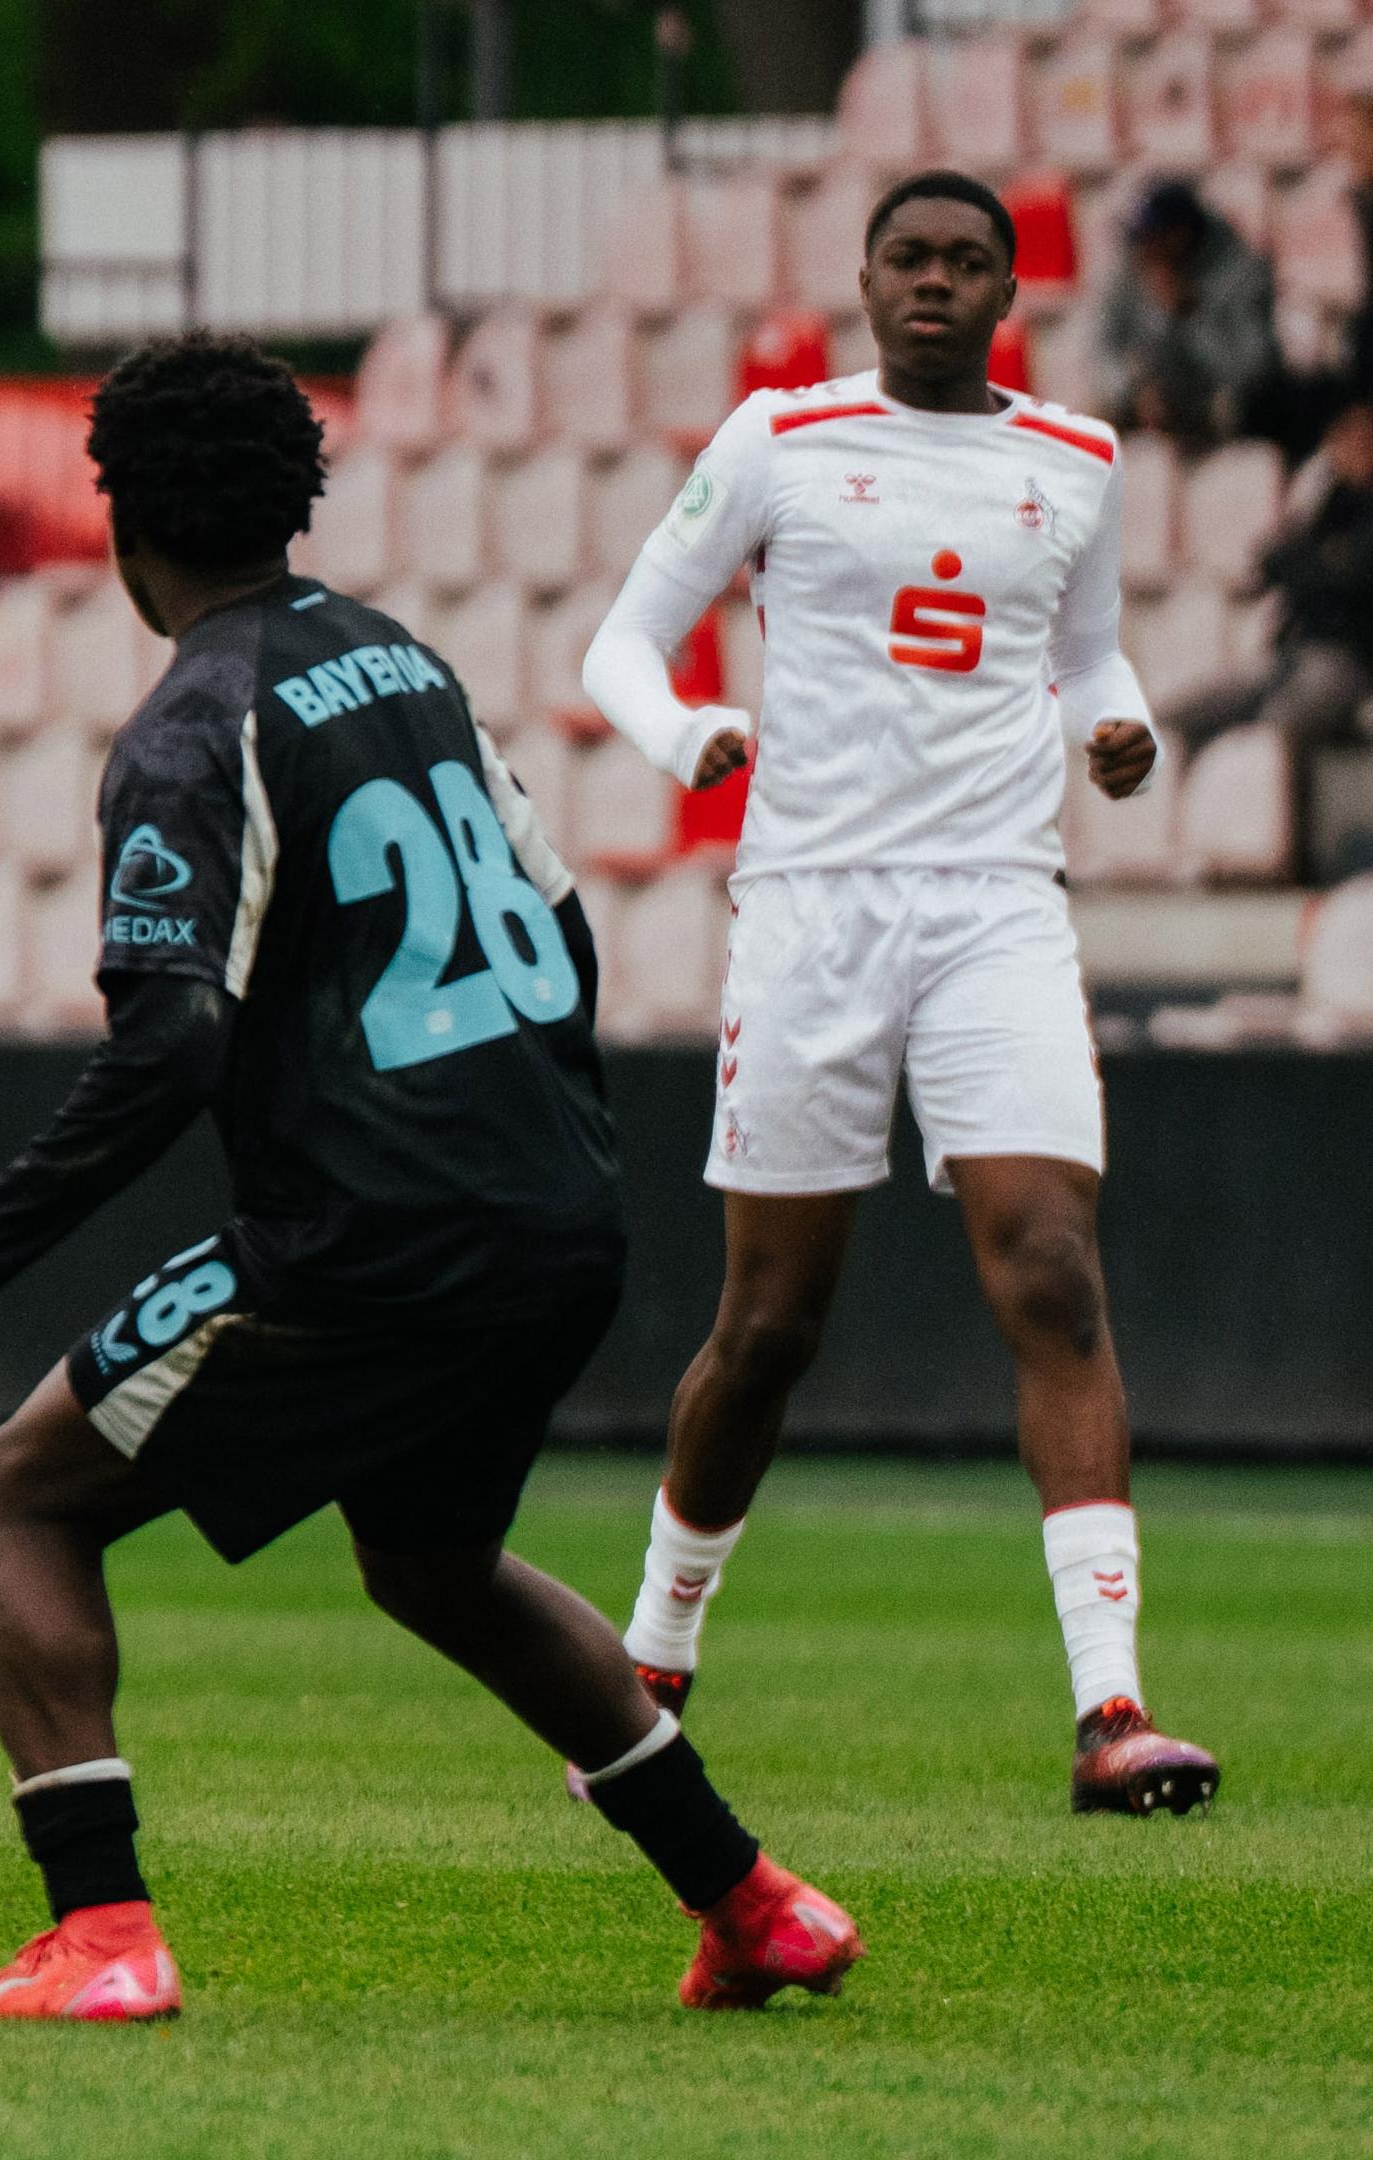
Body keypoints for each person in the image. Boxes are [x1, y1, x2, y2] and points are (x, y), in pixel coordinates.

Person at [0, 333, 853, 2025]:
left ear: (120, 525)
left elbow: (166, 1051)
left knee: (15, 1498)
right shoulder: (401, 662)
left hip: (371, 1239)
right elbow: (564, 924)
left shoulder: (189, 728)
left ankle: (102, 1937)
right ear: (297, 500)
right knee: (434, 1563)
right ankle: (753, 1900)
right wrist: (527, 1143)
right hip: (556, 1215)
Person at [577, 170, 1216, 1817]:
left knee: (1055, 1274)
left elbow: (1087, 653)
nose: (935, 281)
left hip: (1000, 904)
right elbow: (624, 649)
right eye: (909, 257)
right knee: (769, 1326)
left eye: (966, 262)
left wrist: (1116, 727)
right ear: (865, 279)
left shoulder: (1075, 460)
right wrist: (688, 742)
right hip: (810, 915)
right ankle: (651, 1657)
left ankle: (1113, 1712)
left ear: (1010, 289)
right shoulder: (779, 440)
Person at [1160, 402, 1373, 766]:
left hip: (1348, 662)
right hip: (1291, 651)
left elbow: (1349, 576)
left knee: (1272, 730)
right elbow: (1270, 559)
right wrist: (1318, 562)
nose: (1355, 447)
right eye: (1347, 437)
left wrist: (1312, 564)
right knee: (1186, 714)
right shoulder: (1323, 502)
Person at [1090, 176, 1281, 455]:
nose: (1143, 249)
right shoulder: (1129, 267)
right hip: (1147, 395)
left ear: (1180, 236)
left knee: (1235, 410)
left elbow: (1252, 370)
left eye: (1153, 239)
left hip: (1217, 404)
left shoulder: (1241, 271)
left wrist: (1189, 314)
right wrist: (1134, 391)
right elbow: (1101, 345)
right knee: (1088, 424)